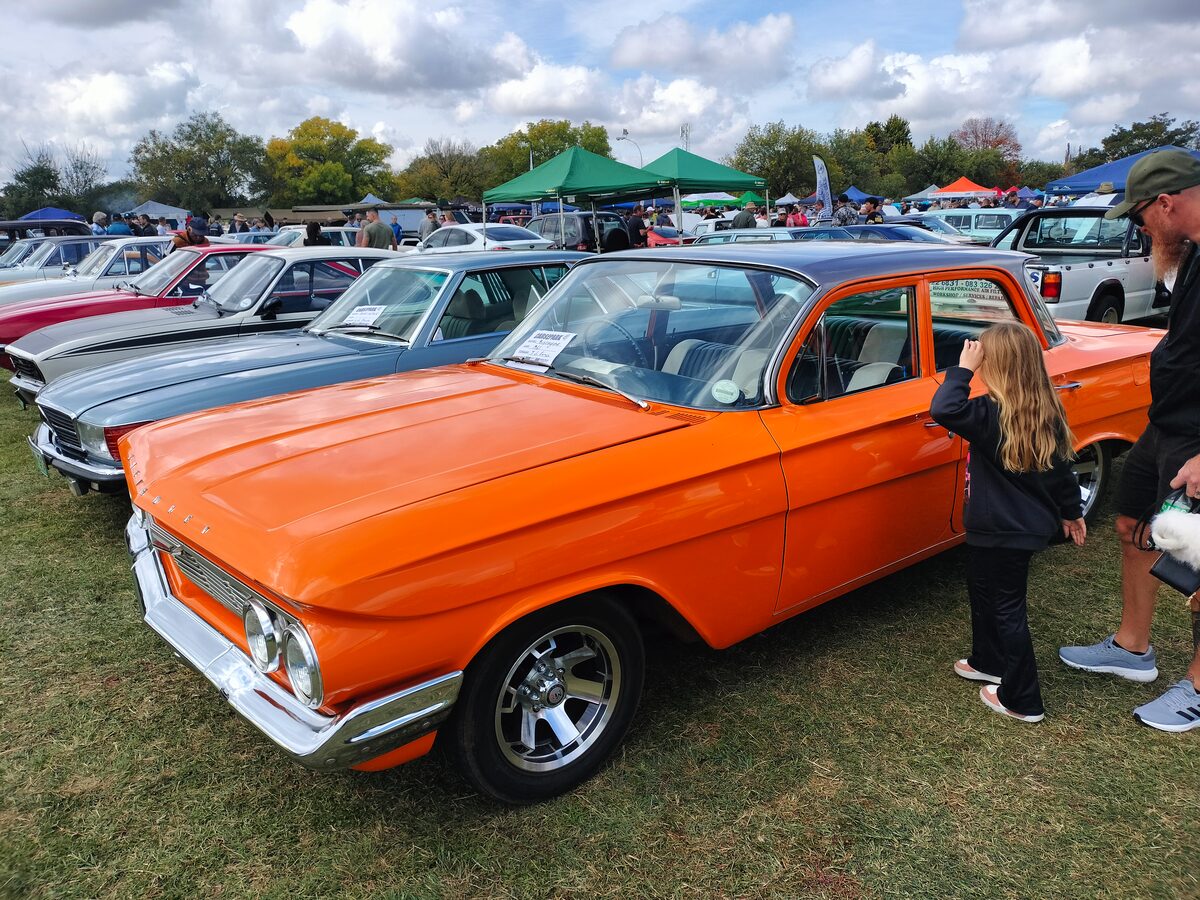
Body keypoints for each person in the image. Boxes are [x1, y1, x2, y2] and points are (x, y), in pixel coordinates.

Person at [1059, 148, 1200, 732]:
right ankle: (1132, 648)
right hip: (1169, 423)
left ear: (1165, 202)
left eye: (1140, 215)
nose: (1140, 229)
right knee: (1132, 524)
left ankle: (1197, 687)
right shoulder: (1191, 253)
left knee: (1198, 560)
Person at [932, 323, 1086, 723]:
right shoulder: (1043, 410)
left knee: (1005, 607)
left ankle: (1022, 698)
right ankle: (989, 659)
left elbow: (944, 408)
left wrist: (963, 370)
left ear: (995, 365)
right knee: (983, 592)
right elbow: (1061, 472)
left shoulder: (987, 413)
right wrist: (1072, 513)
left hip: (1000, 529)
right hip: (1011, 529)